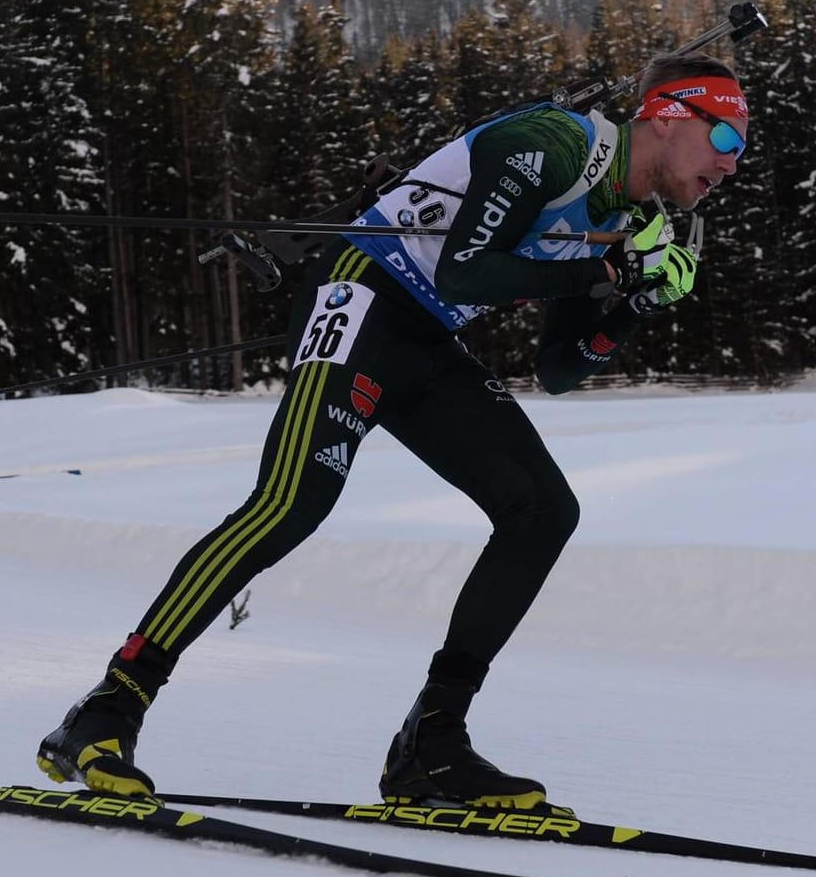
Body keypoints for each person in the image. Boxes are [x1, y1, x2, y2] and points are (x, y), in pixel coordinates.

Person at [38, 52, 749, 809]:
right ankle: (108, 706)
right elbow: (466, 272)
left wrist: (635, 305)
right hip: (361, 290)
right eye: (727, 138)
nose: (731, 165)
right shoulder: (556, 144)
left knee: (542, 509)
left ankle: (431, 742)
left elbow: (559, 367)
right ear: (670, 114)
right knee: (291, 503)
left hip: (424, 339)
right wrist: (608, 275)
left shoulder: (627, 218)